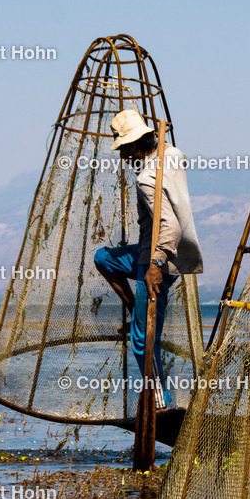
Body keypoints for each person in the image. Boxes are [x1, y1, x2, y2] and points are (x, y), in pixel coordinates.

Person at [93, 109, 203, 408]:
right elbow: (175, 154)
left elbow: (171, 225)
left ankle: (160, 401)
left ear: (133, 146)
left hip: (156, 259)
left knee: (143, 341)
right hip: (147, 252)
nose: (123, 157)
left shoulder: (146, 178)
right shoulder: (171, 155)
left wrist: (155, 265)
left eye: (124, 150)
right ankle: (134, 312)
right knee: (103, 258)